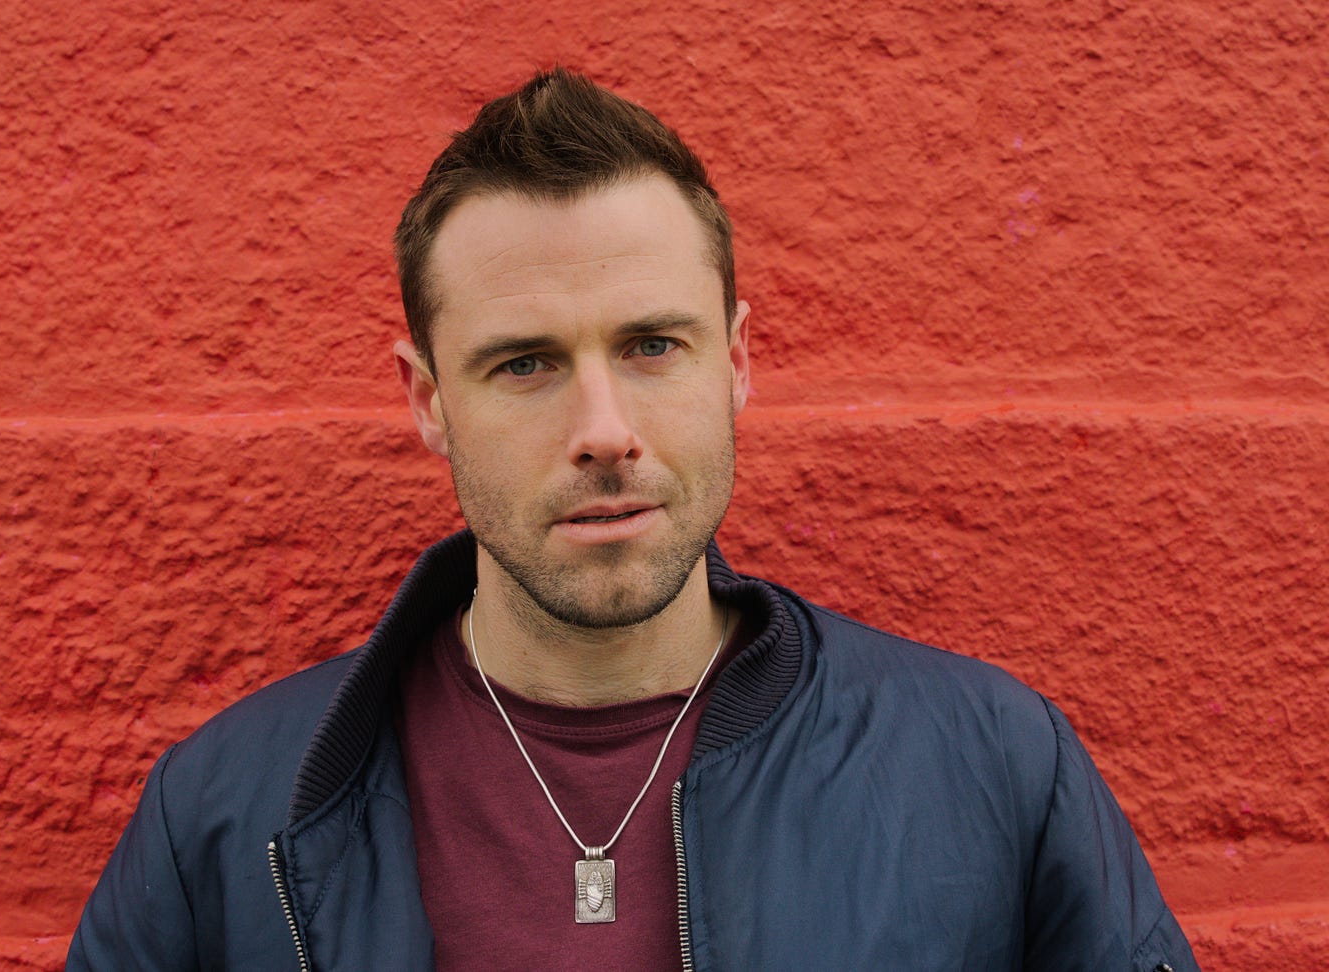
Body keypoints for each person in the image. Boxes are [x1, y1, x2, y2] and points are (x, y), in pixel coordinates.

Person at [68, 68, 1199, 971]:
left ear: (738, 363)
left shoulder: (992, 767)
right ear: (426, 401)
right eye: (523, 364)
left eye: (653, 346)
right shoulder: (224, 816)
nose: (604, 429)